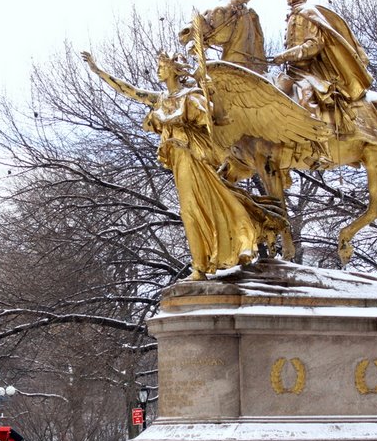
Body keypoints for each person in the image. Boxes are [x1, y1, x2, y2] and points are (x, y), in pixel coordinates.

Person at [82, 50, 285, 280]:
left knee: (209, 204)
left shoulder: (191, 96)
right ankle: (201, 264)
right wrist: (98, 70)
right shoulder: (160, 100)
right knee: (192, 211)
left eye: (161, 66)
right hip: (180, 160)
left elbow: (216, 119)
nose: (158, 70)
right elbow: (130, 91)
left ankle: (234, 245)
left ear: (173, 70)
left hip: (197, 158)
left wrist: (213, 95)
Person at [274, 0, 373, 135]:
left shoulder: (307, 13)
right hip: (294, 71)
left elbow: (314, 45)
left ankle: (318, 141)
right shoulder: (292, 15)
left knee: (306, 97)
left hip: (312, 71)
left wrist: (286, 55)